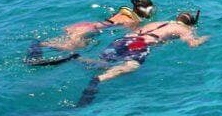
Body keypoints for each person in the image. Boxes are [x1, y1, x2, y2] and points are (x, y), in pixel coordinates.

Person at [76, 10, 209, 106]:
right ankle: (99, 79)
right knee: (132, 66)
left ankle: (78, 58)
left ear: (177, 18)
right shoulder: (184, 29)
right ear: (190, 24)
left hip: (123, 40)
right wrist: (205, 38)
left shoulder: (159, 22)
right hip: (141, 44)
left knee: (104, 62)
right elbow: (193, 44)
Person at [25, 0, 155, 66]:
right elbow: (130, 37)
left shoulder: (124, 13)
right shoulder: (132, 21)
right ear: (144, 10)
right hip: (87, 30)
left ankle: (38, 45)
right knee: (69, 49)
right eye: (150, 9)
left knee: (64, 44)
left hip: (85, 26)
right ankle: (36, 47)